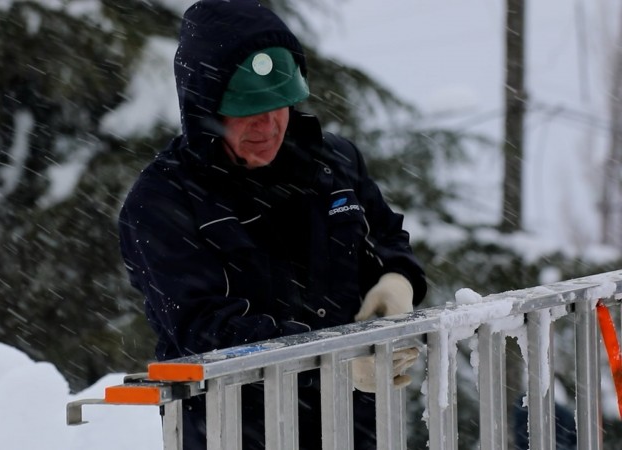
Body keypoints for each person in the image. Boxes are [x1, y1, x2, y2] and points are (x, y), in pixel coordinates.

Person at [118, 0, 427, 448]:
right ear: (206, 109)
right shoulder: (162, 202)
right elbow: (204, 331)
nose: (269, 126)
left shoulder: (334, 163)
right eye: (249, 109)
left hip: (353, 425)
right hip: (234, 429)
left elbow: (387, 236)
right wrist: (335, 358)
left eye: (279, 105)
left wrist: (397, 279)